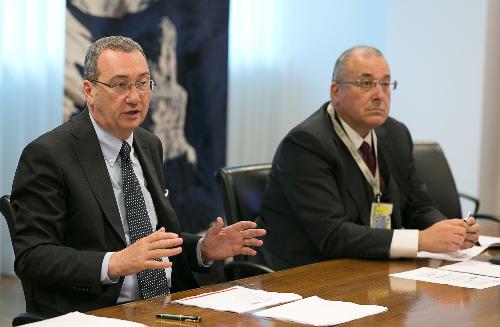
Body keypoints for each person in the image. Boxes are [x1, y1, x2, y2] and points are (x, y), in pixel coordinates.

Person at [10, 35, 266, 316]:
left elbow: (154, 239)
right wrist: (114, 263)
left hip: (167, 307)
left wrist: (201, 248)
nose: (135, 97)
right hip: (97, 311)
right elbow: (32, 257)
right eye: (120, 85)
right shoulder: (49, 155)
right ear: (89, 91)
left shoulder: (148, 144)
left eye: (143, 83)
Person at [258, 46, 479, 271]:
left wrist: (449, 230)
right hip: (307, 274)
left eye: (385, 84)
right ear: (335, 92)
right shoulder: (306, 144)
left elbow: (418, 206)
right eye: (366, 83)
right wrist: (422, 240)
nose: (379, 94)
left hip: (369, 266)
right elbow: (333, 235)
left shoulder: (396, 134)